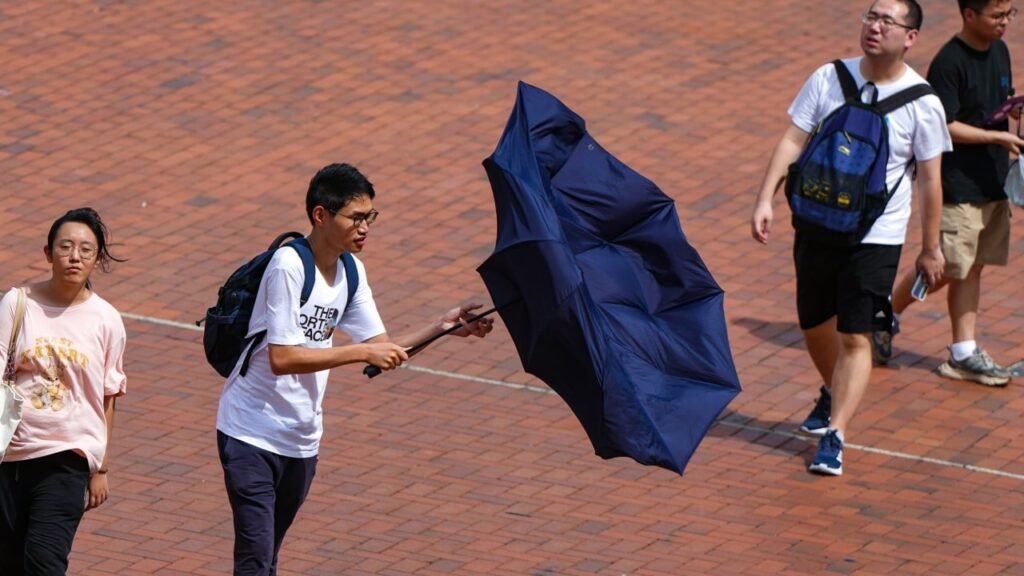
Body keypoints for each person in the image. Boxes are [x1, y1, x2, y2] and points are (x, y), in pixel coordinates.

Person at [215, 163, 494, 575]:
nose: (365, 228)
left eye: (370, 218)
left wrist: (444, 327)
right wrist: (359, 355)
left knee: (269, 555)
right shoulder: (289, 266)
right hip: (249, 432)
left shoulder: (351, 271)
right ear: (320, 216)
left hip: (301, 440)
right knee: (255, 559)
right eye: (356, 218)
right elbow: (283, 357)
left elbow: (382, 349)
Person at [750, 0, 951, 476]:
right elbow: (793, 139)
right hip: (817, 222)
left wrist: (929, 246)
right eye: (870, 17)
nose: (875, 27)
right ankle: (832, 389)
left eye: (887, 21)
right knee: (813, 324)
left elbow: (930, 180)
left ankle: (835, 435)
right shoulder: (829, 78)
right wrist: (765, 198)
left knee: (855, 335)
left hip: (876, 236)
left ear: (911, 37)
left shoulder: (923, 103)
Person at [873, 0, 1021, 387]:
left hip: (993, 181)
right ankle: (883, 314)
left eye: (1010, 14)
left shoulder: (1000, 50)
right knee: (946, 265)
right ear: (969, 14)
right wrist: (994, 135)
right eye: (997, 16)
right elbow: (945, 125)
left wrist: (1013, 114)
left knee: (971, 266)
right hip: (959, 185)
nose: (1004, 23)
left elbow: (999, 101)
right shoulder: (949, 63)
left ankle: (963, 351)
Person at [0, 207, 128, 575]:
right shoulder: (17, 303)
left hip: (67, 458)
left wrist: (100, 468)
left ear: (97, 258)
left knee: (44, 561)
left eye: (86, 250)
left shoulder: (106, 320)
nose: (75, 256)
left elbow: (108, 396)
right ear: (47, 253)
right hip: (11, 456)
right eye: (66, 247)